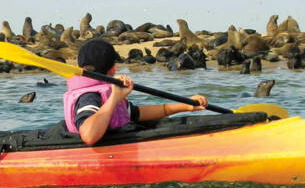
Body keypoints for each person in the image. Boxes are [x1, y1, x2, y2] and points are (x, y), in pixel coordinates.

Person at [63, 39, 209, 145]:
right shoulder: (88, 97)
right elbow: (89, 136)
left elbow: (138, 114)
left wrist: (186, 106)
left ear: (78, 66)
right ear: (114, 69)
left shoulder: (103, 91)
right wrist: (114, 98)